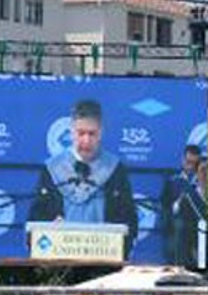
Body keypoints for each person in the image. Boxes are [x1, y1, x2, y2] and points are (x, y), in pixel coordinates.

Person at [29, 99, 138, 257]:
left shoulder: (115, 170)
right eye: (81, 133)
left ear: (101, 133)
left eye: (92, 134)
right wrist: (50, 226)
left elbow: (129, 219)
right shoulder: (52, 169)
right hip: (61, 260)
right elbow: (37, 217)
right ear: (71, 132)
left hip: (104, 263)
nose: (86, 141)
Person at [160, 144, 206, 268]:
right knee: (179, 228)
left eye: (194, 163)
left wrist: (202, 183)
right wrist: (177, 204)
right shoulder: (173, 180)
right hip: (179, 224)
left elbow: (206, 205)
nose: (190, 166)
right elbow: (165, 205)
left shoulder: (204, 179)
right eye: (188, 162)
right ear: (182, 160)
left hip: (200, 226)